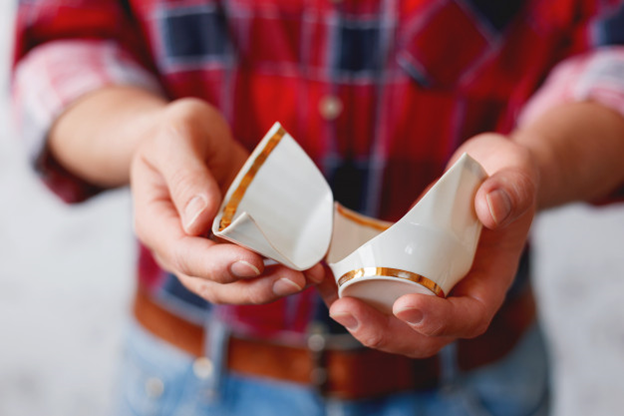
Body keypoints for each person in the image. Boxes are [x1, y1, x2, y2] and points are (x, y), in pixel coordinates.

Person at [11, 1, 624, 415]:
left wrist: (533, 163)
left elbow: (611, 59)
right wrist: (146, 136)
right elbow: (62, 47)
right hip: (188, 374)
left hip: (472, 380)